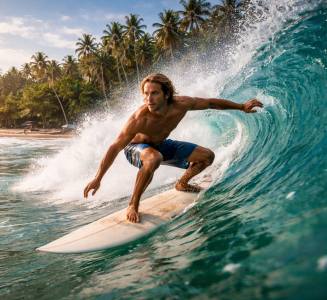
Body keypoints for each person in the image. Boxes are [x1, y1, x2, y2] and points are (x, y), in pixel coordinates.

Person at [84, 73, 263, 223]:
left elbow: (210, 103)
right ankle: (133, 203)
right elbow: (115, 147)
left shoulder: (182, 104)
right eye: (146, 94)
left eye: (154, 93)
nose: (149, 98)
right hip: (135, 149)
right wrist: (98, 178)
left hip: (161, 146)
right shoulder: (139, 119)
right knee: (154, 158)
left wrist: (241, 106)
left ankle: (182, 183)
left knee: (207, 156)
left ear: (167, 94)